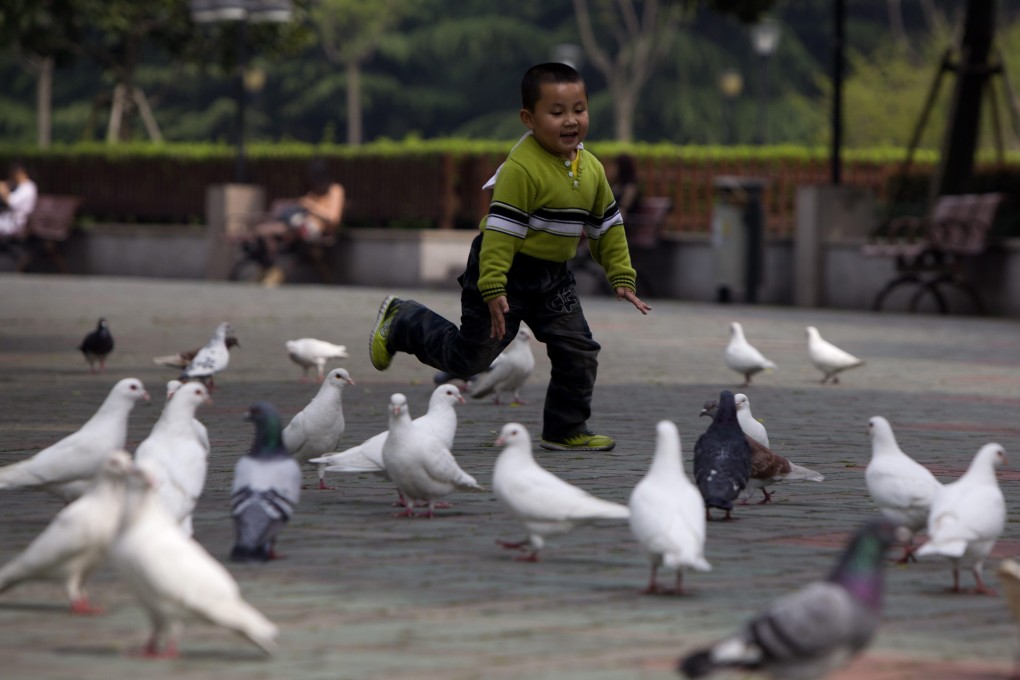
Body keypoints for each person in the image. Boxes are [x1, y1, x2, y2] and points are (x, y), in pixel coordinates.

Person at [368, 62, 651, 452]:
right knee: (471, 359)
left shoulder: (593, 170)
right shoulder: (522, 168)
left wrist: (621, 276)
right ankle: (404, 320)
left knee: (579, 349)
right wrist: (493, 285)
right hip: (504, 269)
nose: (571, 121)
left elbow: (608, 226)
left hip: (552, 276)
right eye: (556, 113)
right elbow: (502, 232)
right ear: (529, 119)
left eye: (579, 110)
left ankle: (565, 429)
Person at [249, 158, 345, 286]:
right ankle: (269, 268)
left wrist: (311, 207)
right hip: (298, 226)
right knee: (263, 232)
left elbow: (333, 219)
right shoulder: (313, 193)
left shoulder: (335, 190)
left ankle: (273, 271)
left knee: (291, 228)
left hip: (316, 231)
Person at [0, 161, 38, 242]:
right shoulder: (25, 186)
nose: (14, 177)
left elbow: (12, 202)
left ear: (20, 173)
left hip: (17, 222)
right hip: (14, 218)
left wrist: (4, 190)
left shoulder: (27, 187)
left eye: (15, 174)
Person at [611, 153, 642, 222]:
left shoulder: (630, 187)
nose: (612, 169)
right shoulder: (617, 186)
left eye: (615, 166)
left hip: (627, 224)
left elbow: (623, 209)